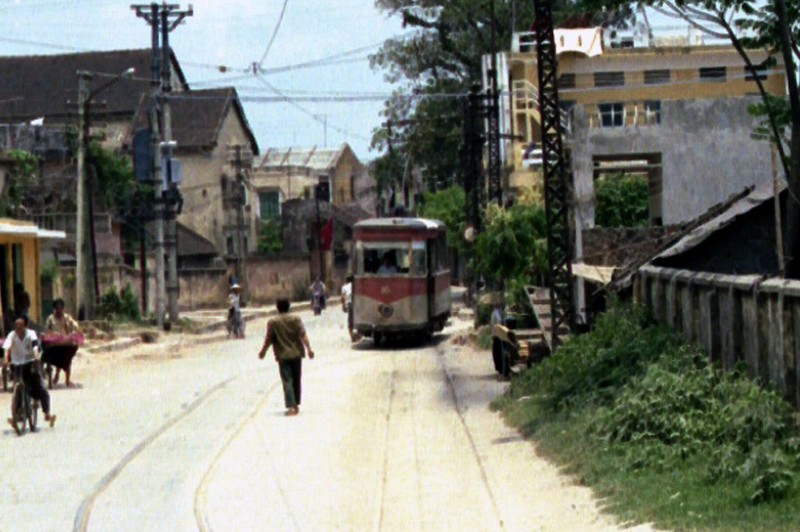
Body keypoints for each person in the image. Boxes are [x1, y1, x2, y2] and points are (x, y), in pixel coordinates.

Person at [258, 299, 314, 416]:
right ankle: (295, 404)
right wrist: (309, 349)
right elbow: (303, 334)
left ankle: (291, 406)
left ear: (277, 307)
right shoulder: (295, 319)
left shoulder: (273, 322)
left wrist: (263, 351)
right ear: (289, 307)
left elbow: (269, 339)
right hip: (297, 353)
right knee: (296, 379)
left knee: (287, 380)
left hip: (283, 355)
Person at [4, 316, 56, 431]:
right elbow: (6, 348)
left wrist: (36, 357)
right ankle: (16, 413)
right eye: (16, 326)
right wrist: (6, 360)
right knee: (17, 386)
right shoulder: (12, 335)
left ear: (25, 326)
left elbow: (35, 346)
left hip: (30, 362)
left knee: (41, 387)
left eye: (20, 326)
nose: (18, 328)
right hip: (16, 364)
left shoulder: (31, 334)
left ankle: (46, 412)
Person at [43, 298, 82, 387]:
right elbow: (47, 331)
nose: (59, 310)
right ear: (54, 308)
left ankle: (67, 380)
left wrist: (77, 330)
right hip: (54, 344)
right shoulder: (50, 319)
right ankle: (57, 373)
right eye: (57, 308)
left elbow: (75, 325)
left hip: (65, 343)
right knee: (56, 354)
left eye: (60, 308)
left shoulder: (67, 318)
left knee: (68, 357)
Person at [490, 300, 510, 381]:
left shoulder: (496, 313)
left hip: (498, 335)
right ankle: (502, 372)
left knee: (498, 354)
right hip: (498, 335)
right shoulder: (496, 313)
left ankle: (501, 372)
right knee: (499, 353)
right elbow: (498, 323)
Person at [341, 274, 355, 342]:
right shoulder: (356, 286)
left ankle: (352, 337)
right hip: (356, 303)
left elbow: (343, 297)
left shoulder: (344, 287)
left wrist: (343, 306)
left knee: (350, 321)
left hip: (350, 304)